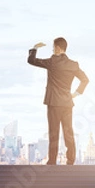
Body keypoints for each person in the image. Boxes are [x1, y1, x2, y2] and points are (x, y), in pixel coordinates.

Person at [27, 37, 89, 165]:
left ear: (58, 48)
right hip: (67, 103)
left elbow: (31, 60)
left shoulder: (52, 62)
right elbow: (85, 80)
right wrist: (76, 93)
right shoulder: (73, 64)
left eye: (53, 47)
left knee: (53, 133)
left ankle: (52, 161)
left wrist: (35, 47)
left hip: (54, 103)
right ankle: (71, 161)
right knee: (68, 132)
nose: (52, 49)